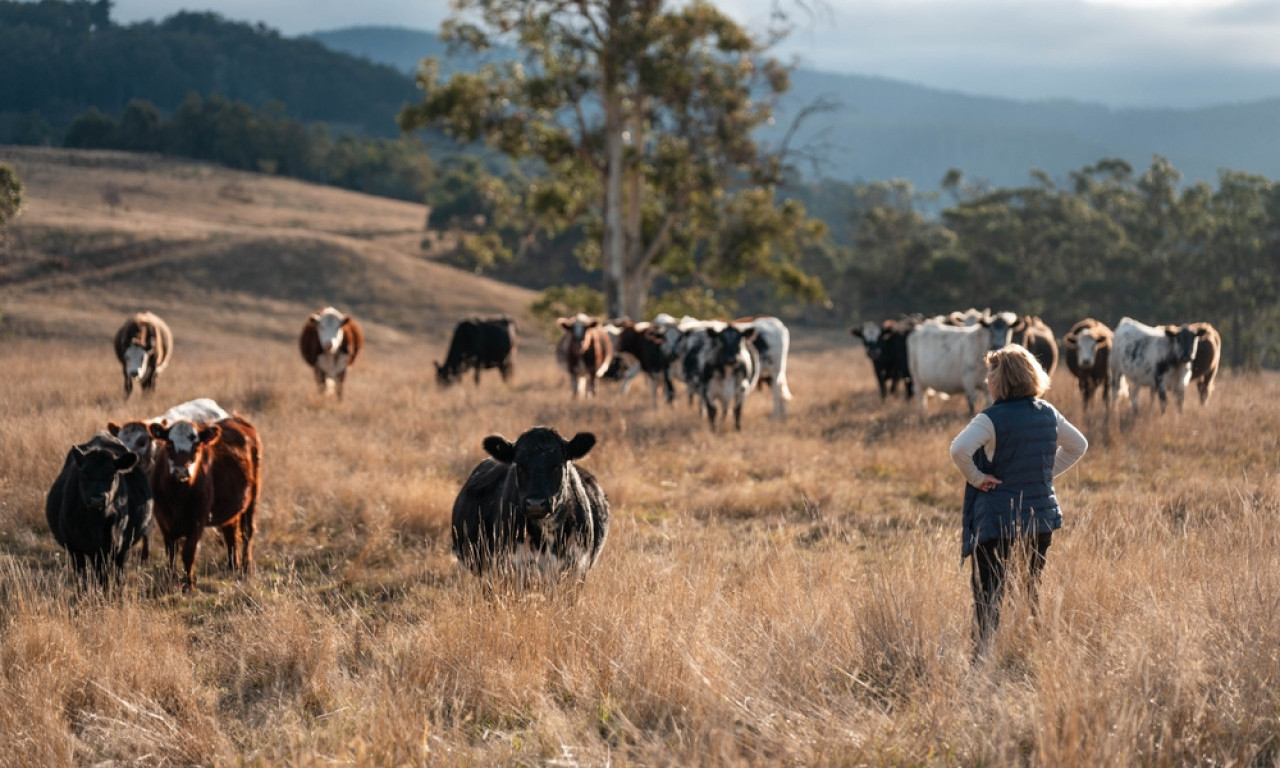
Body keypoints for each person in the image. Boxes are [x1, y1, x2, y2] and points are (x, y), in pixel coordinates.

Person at [950, 345, 1088, 657]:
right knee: (1029, 588)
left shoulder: (990, 418)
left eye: (991, 373)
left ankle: (983, 657)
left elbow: (958, 450)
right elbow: (1078, 445)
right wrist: (1042, 474)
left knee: (988, 593)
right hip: (1041, 520)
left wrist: (977, 478)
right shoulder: (1048, 412)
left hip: (997, 522)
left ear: (1002, 379)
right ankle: (1031, 652)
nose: (986, 380)